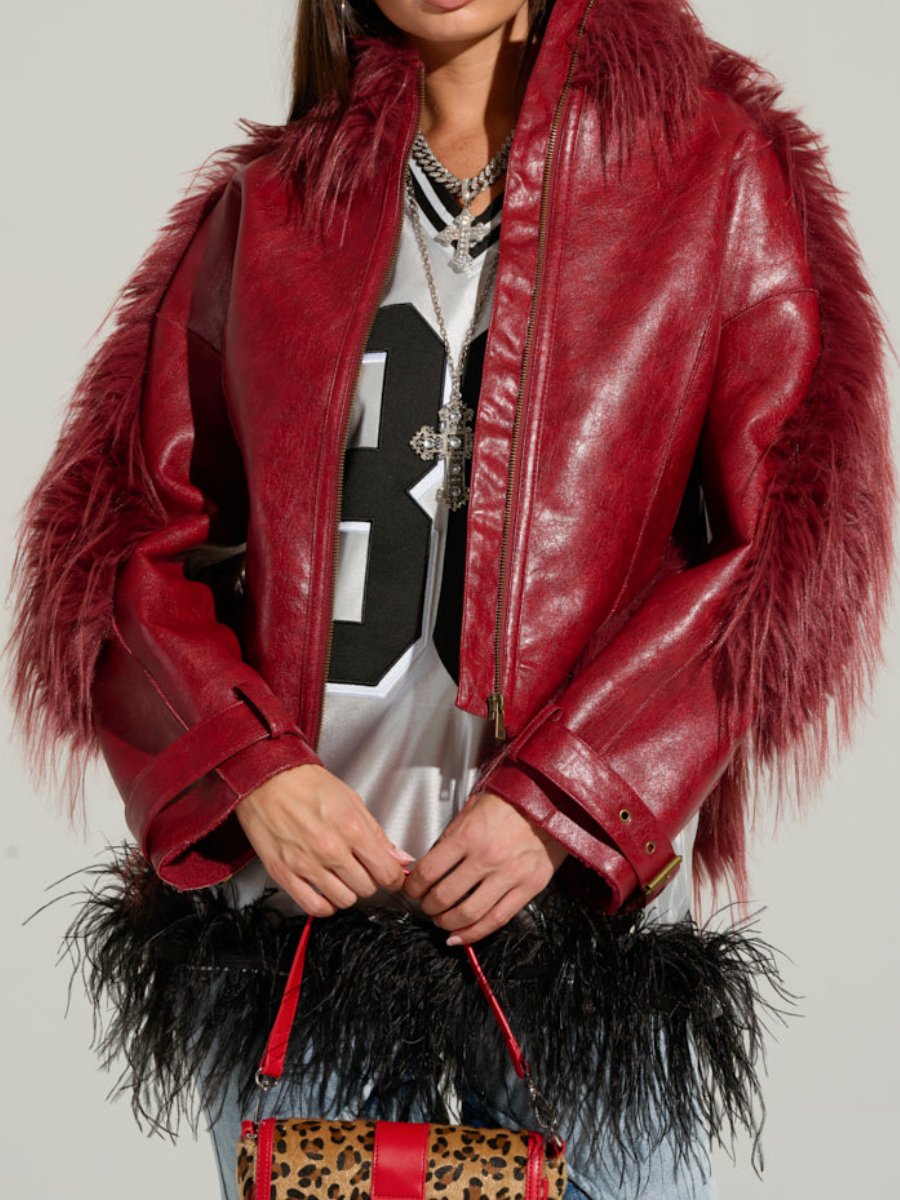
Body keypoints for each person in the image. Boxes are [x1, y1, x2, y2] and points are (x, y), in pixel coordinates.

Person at [8, 0, 892, 1198]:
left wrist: (566, 798)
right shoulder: (269, 211)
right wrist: (250, 770)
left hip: (576, 937)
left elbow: (781, 536)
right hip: (303, 932)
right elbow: (126, 539)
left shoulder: (709, 172)